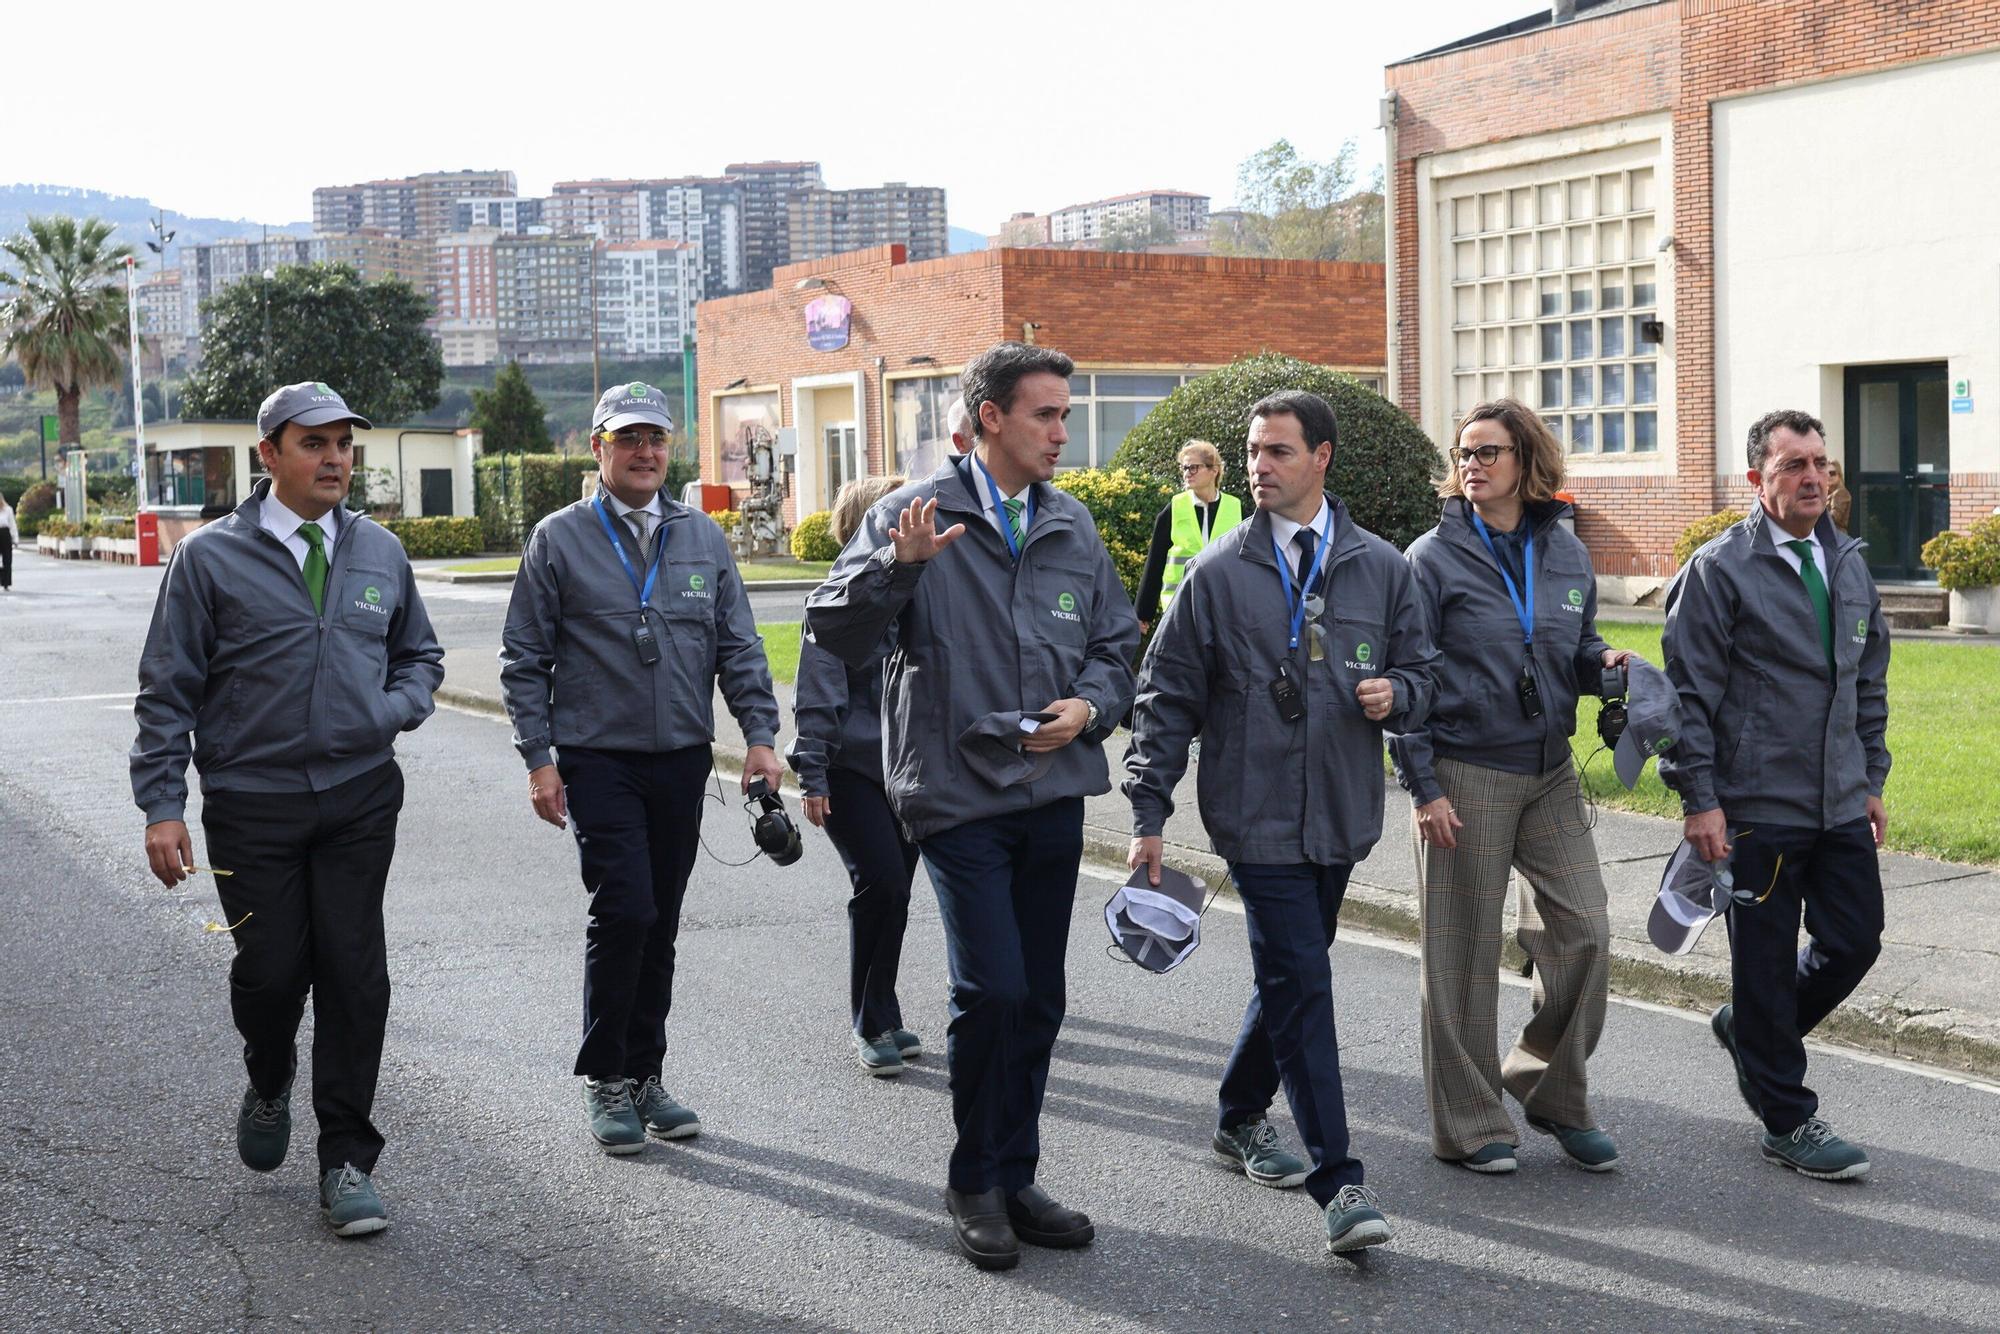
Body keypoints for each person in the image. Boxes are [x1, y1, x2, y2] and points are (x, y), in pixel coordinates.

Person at [806, 341, 1138, 1272]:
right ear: (990, 417)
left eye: (1065, 414)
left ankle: (1016, 1174)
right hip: (956, 793)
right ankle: (973, 1181)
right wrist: (897, 568)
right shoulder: (911, 515)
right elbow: (833, 628)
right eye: (1046, 414)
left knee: (1039, 996)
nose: (1062, 433)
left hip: (1054, 789)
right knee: (991, 989)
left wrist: (1089, 709)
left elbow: (1117, 646)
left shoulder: (1070, 522)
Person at [1125, 390, 1437, 1255]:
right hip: (1253, 813)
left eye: (1278, 452)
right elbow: (1164, 698)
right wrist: (1149, 812)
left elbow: (1427, 673)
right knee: (1303, 981)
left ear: (1322, 458)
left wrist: (1399, 691)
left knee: (1290, 977)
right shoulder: (1217, 573)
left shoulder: (1382, 568)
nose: (1258, 466)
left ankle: (1237, 1115)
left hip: (1341, 813)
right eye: (1253, 452)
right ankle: (1340, 1181)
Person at [130, 381, 443, 1237]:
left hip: (359, 796)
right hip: (250, 804)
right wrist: (163, 805)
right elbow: (167, 688)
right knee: (270, 975)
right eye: (315, 443)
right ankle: (269, 1077)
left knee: (354, 973)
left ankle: (346, 1158)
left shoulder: (379, 551)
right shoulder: (209, 560)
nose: (335, 459)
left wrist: (389, 711)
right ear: (268, 455)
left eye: (344, 444)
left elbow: (420, 656)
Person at [500, 381, 783, 1157]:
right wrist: (538, 760)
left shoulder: (702, 539)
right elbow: (523, 660)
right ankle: (605, 1076)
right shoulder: (558, 539)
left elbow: (739, 646)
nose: (645, 452)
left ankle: (645, 1073)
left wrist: (760, 737)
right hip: (597, 758)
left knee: (660, 919)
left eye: (656, 438)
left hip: (681, 759)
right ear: (599, 449)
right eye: (628, 439)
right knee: (625, 908)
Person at [1386, 399, 1629, 1176]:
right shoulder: (1430, 559)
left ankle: (1547, 1087)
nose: (1472, 464)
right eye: (1464, 453)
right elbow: (1407, 677)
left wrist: (1602, 665)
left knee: (1585, 931)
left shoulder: (1564, 551)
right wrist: (1422, 786)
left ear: (1526, 460)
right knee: (1460, 956)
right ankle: (1469, 1123)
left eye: (1488, 451)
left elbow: (1575, 645)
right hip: (1464, 769)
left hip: (1549, 769)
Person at [1660, 408, 1890, 1181]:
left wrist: (1871, 778)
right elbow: (1688, 698)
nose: (1813, 477)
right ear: (1757, 478)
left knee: (1855, 940)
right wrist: (1700, 799)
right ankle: (1788, 1120)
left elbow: (1867, 682)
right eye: (1794, 465)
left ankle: (1752, 1030)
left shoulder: (1847, 562)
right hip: (1754, 806)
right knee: (1762, 965)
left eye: (1821, 463)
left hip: (1838, 800)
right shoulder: (1719, 569)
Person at [787, 473, 924, 1077]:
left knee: (895, 895)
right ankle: (869, 1023)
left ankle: (884, 1011)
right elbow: (816, 692)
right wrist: (812, 772)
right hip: (850, 770)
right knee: (882, 884)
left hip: (907, 771)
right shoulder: (836, 601)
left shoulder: (915, 595)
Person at [1133, 440, 1243, 634]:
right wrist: (1143, 612)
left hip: (1225, 608)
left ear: (1214, 470)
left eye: (1193, 468)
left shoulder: (1236, 508)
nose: (1187, 474)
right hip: (1180, 607)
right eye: (1184, 468)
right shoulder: (1175, 507)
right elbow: (1155, 561)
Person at [0, 489, 16, 591]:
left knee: (7, 560)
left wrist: (15, 538)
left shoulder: (8, 509)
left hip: (5, 534)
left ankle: (6, 583)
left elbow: (12, 524)